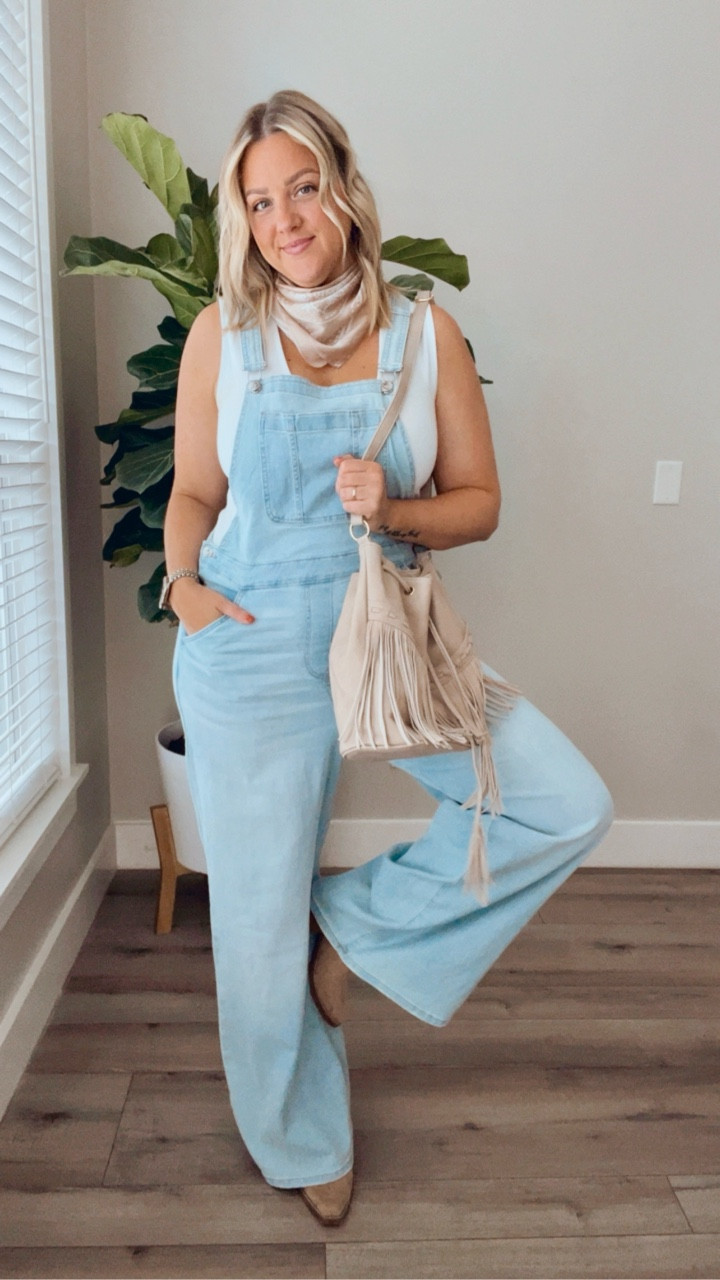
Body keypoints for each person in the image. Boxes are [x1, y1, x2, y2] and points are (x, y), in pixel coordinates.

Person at [163, 89, 614, 1227]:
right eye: (259, 201)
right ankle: (300, 1134)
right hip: (246, 638)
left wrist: (397, 510)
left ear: (344, 188)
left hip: (388, 630)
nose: (283, 220)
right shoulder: (223, 334)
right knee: (254, 919)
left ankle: (348, 935)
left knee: (559, 801)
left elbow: (481, 501)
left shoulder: (425, 333)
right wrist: (183, 590)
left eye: (302, 188)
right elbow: (194, 492)